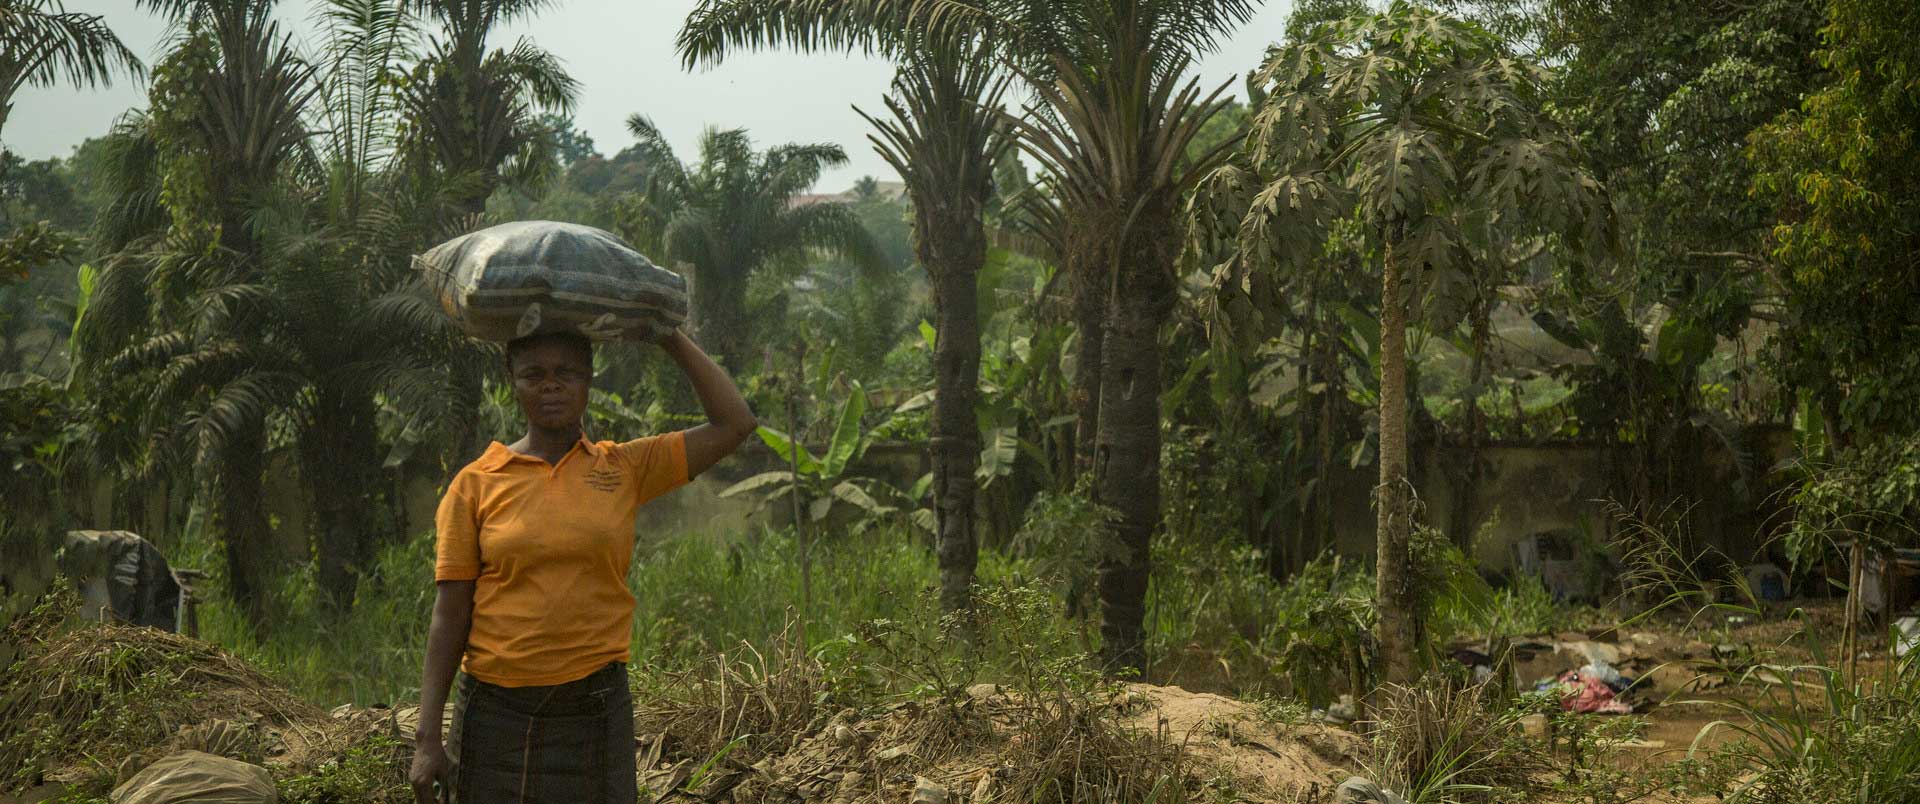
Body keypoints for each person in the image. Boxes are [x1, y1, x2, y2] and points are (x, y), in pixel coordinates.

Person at [409, 329, 755, 804]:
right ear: (512, 380)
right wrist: (427, 736)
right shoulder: (475, 485)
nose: (550, 386)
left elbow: (735, 423)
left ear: (589, 379)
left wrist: (669, 339)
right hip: (496, 714)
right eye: (534, 374)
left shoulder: (624, 468)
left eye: (566, 373)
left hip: (595, 708)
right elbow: (449, 614)